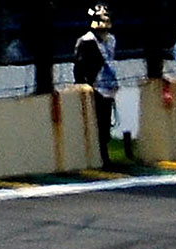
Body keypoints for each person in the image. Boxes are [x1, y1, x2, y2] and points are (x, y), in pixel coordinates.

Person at [73, 5, 120, 167]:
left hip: (108, 86)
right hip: (95, 86)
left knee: (106, 122)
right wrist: (85, 85)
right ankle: (101, 156)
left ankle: (105, 154)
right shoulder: (86, 41)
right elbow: (79, 67)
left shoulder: (111, 40)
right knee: (98, 123)